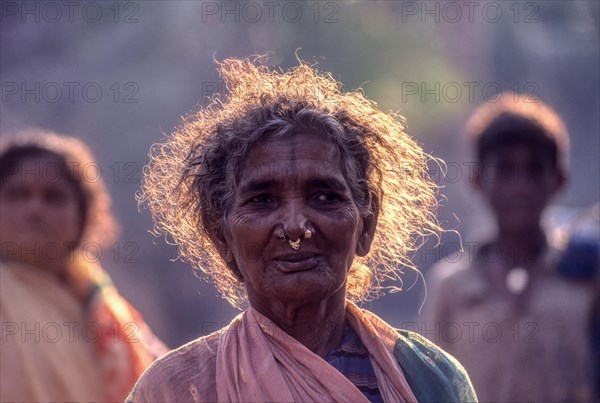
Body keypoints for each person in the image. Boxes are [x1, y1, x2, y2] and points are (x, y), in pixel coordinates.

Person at [128, 57, 476, 402]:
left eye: (324, 196)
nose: (295, 227)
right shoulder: (175, 390)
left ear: (365, 223)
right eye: (263, 200)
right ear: (222, 236)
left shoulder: (428, 380)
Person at [424, 95, 595, 401]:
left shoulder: (585, 277)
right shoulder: (452, 287)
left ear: (557, 180)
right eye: (504, 170)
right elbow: (429, 385)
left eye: (533, 170)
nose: (519, 186)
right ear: (478, 179)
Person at [0, 131, 167, 402]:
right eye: (17, 195)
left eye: (52, 197)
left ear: (83, 213)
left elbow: (166, 380)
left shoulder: (105, 307)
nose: (34, 209)